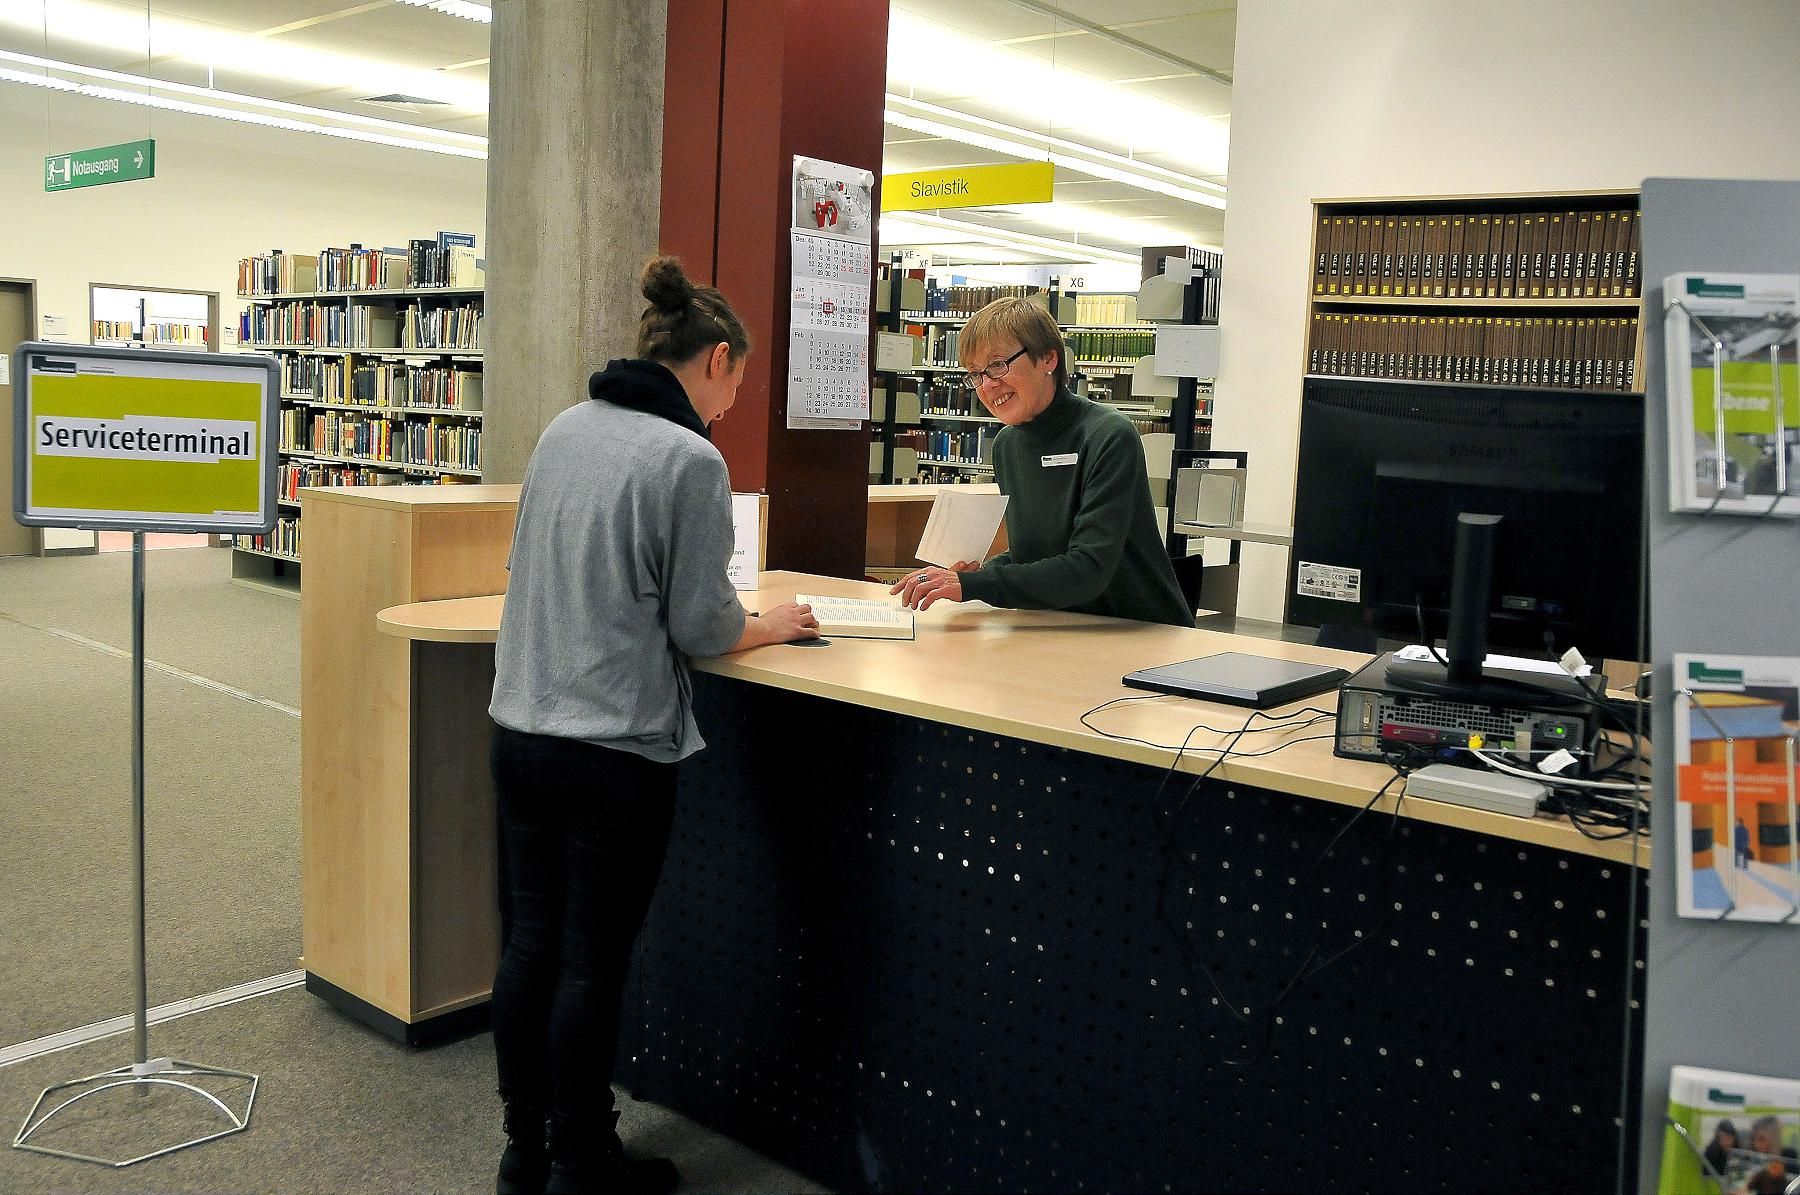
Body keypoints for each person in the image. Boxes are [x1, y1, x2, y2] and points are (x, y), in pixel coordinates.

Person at [486, 256, 819, 1195]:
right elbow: (702, 627)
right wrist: (775, 624)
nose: (731, 408)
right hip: (612, 749)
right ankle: (585, 1160)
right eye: (738, 386)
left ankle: (527, 1149)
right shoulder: (689, 458)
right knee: (592, 962)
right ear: (716, 359)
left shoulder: (563, 429)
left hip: (519, 726)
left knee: (529, 947)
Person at [889, 296, 1193, 628]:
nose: (988, 385)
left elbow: (1089, 569)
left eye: (998, 365)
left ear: (1048, 358)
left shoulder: (1108, 435)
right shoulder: (1007, 445)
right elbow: (1034, 553)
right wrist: (971, 574)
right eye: (976, 374)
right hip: (1061, 626)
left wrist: (974, 586)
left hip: (1139, 630)